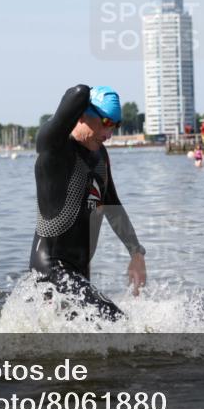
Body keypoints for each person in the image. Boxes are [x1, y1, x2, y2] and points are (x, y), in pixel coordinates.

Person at [30, 84, 147, 320]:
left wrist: (136, 253)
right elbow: (77, 93)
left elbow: (112, 205)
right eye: (106, 122)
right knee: (118, 323)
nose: (110, 133)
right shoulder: (55, 148)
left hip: (79, 272)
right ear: (83, 114)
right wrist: (90, 95)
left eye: (116, 125)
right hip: (51, 268)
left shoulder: (100, 156)